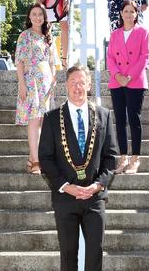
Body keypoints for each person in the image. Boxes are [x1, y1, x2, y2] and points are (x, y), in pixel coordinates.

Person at [39, 65, 118, 271]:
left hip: (94, 198)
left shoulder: (104, 115)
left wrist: (98, 185)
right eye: (73, 82)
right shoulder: (52, 118)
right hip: (65, 198)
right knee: (67, 255)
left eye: (82, 82)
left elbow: (111, 157)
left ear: (89, 85)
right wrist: (66, 186)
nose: (77, 87)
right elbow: (45, 159)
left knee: (95, 254)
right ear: (66, 85)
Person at [106, 0, 149, 174]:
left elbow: (144, 56)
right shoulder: (114, 34)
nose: (129, 14)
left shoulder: (143, 32)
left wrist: (129, 76)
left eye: (132, 11)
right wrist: (118, 75)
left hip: (136, 80)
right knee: (120, 120)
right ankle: (123, 158)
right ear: (121, 14)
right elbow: (109, 57)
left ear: (136, 14)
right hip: (117, 81)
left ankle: (135, 159)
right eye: (126, 11)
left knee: (134, 119)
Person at [15, 4, 57, 174]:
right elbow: (19, 62)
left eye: (41, 14)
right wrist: (22, 85)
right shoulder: (24, 36)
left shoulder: (48, 37)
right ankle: (36, 162)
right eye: (34, 14)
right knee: (33, 121)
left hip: (46, 84)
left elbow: (53, 62)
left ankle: (32, 157)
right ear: (29, 17)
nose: (38, 17)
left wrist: (53, 82)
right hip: (31, 82)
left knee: (43, 122)